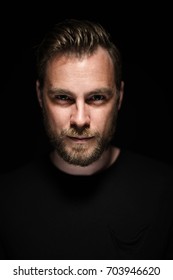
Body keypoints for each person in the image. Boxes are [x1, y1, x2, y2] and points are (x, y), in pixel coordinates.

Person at [0, 18, 173, 260]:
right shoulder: (5, 201)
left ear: (120, 97)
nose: (80, 120)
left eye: (97, 97)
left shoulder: (166, 194)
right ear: (40, 97)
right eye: (62, 97)